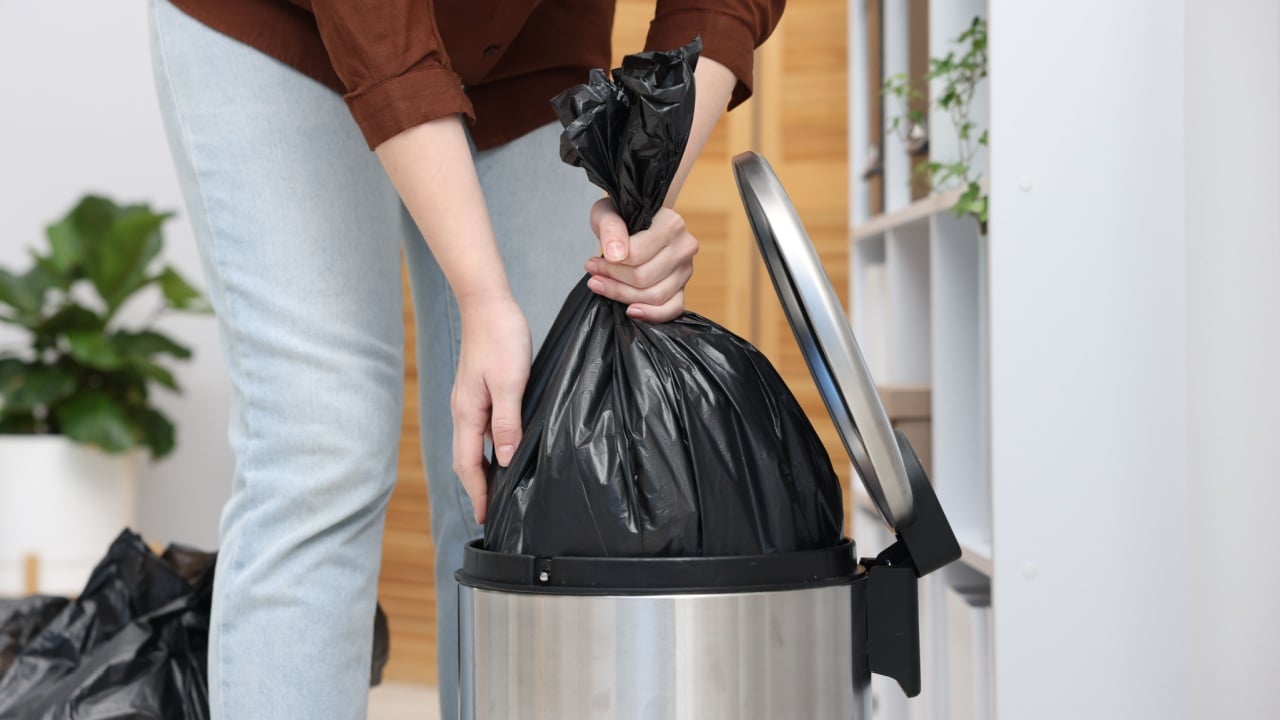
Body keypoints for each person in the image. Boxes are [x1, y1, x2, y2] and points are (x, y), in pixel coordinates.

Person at [148, 1, 784, 717]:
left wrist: (638, 197)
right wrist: (484, 296)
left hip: (526, 45)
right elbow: (377, 28)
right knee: (322, 448)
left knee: (534, 452)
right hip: (282, 26)